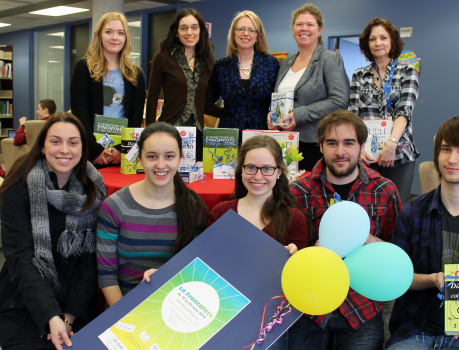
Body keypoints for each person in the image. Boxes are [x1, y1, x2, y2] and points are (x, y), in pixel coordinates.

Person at [288, 110, 401, 349]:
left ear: (361, 146)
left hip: (361, 307)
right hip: (309, 304)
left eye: (349, 143)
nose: (340, 152)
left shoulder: (385, 190)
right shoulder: (298, 191)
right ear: (320, 146)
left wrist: (365, 239)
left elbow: (396, 253)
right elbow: (288, 250)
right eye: (332, 143)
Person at [387, 116, 459, 350]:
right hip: (416, 329)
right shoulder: (412, 212)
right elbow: (397, 277)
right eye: (446, 149)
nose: (452, 159)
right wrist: (431, 280)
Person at [0, 112, 106, 350]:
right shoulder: (18, 185)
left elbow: (90, 259)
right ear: (42, 147)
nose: (64, 150)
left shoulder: (94, 187)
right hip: (25, 299)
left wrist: (68, 317)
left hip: (76, 303)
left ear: (82, 148)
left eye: (73, 142)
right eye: (55, 141)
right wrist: (51, 316)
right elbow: (21, 259)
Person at [96, 122, 208, 307]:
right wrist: (123, 317)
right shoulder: (114, 207)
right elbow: (107, 275)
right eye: (152, 156)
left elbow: (194, 272)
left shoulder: (194, 208)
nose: (160, 165)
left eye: (169, 156)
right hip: (123, 308)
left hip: (178, 308)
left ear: (180, 158)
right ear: (140, 158)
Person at [268, 3, 349, 171]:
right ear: (293, 30)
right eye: (299, 24)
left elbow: (340, 100)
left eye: (310, 24)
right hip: (285, 141)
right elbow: (280, 97)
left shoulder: (330, 59)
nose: (304, 28)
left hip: (314, 143)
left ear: (319, 30)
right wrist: (273, 114)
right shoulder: (286, 64)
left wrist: (298, 115)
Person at [348, 17, 419, 204]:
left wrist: (391, 144)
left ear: (392, 41)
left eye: (383, 38)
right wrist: (358, 147)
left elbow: (405, 111)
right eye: (372, 39)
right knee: (365, 206)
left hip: (399, 152)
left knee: (395, 208)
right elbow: (353, 114)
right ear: (367, 44)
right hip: (367, 154)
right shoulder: (359, 75)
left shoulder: (408, 72)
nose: (378, 43)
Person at [207, 135, 312, 251]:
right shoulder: (221, 213)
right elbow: (203, 258)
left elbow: (298, 268)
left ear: (279, 172)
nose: (257, 177)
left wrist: (294, 257)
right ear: (241, 170)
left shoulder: (294, 219)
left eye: (267, 169)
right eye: (251, 167)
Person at [71, 12, 146, 167]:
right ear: (99, 35)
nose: (114, 38)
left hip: (121, 152)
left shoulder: (135, 73)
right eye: (109, 32)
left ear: (126, 38)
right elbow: (80, 112)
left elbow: (136, 116)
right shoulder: (84, 68)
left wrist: (122, 148)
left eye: (120, 33)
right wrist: (94, 149)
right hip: (92, 150)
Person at [145, 8, 221, 161]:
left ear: (201, 30)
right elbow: (152, 98)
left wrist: (232, 112)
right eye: (184, 28)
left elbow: (206, 104)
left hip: (197, 134)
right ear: (176, 32)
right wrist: (150, 132)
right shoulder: (163, 57)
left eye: (194, 27)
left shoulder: (207, 62)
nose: (189, 32)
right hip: (168, 130)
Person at [211, 11, 279, 138]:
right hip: (229, 136)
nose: (246, 33)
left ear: (258, 36)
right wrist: (226, 113)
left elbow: (277, 99)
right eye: (241, 29)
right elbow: (208, 100)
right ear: (233, 33)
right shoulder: (221, 66)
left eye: (251, 30)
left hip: (261, 136)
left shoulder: (270, 64)